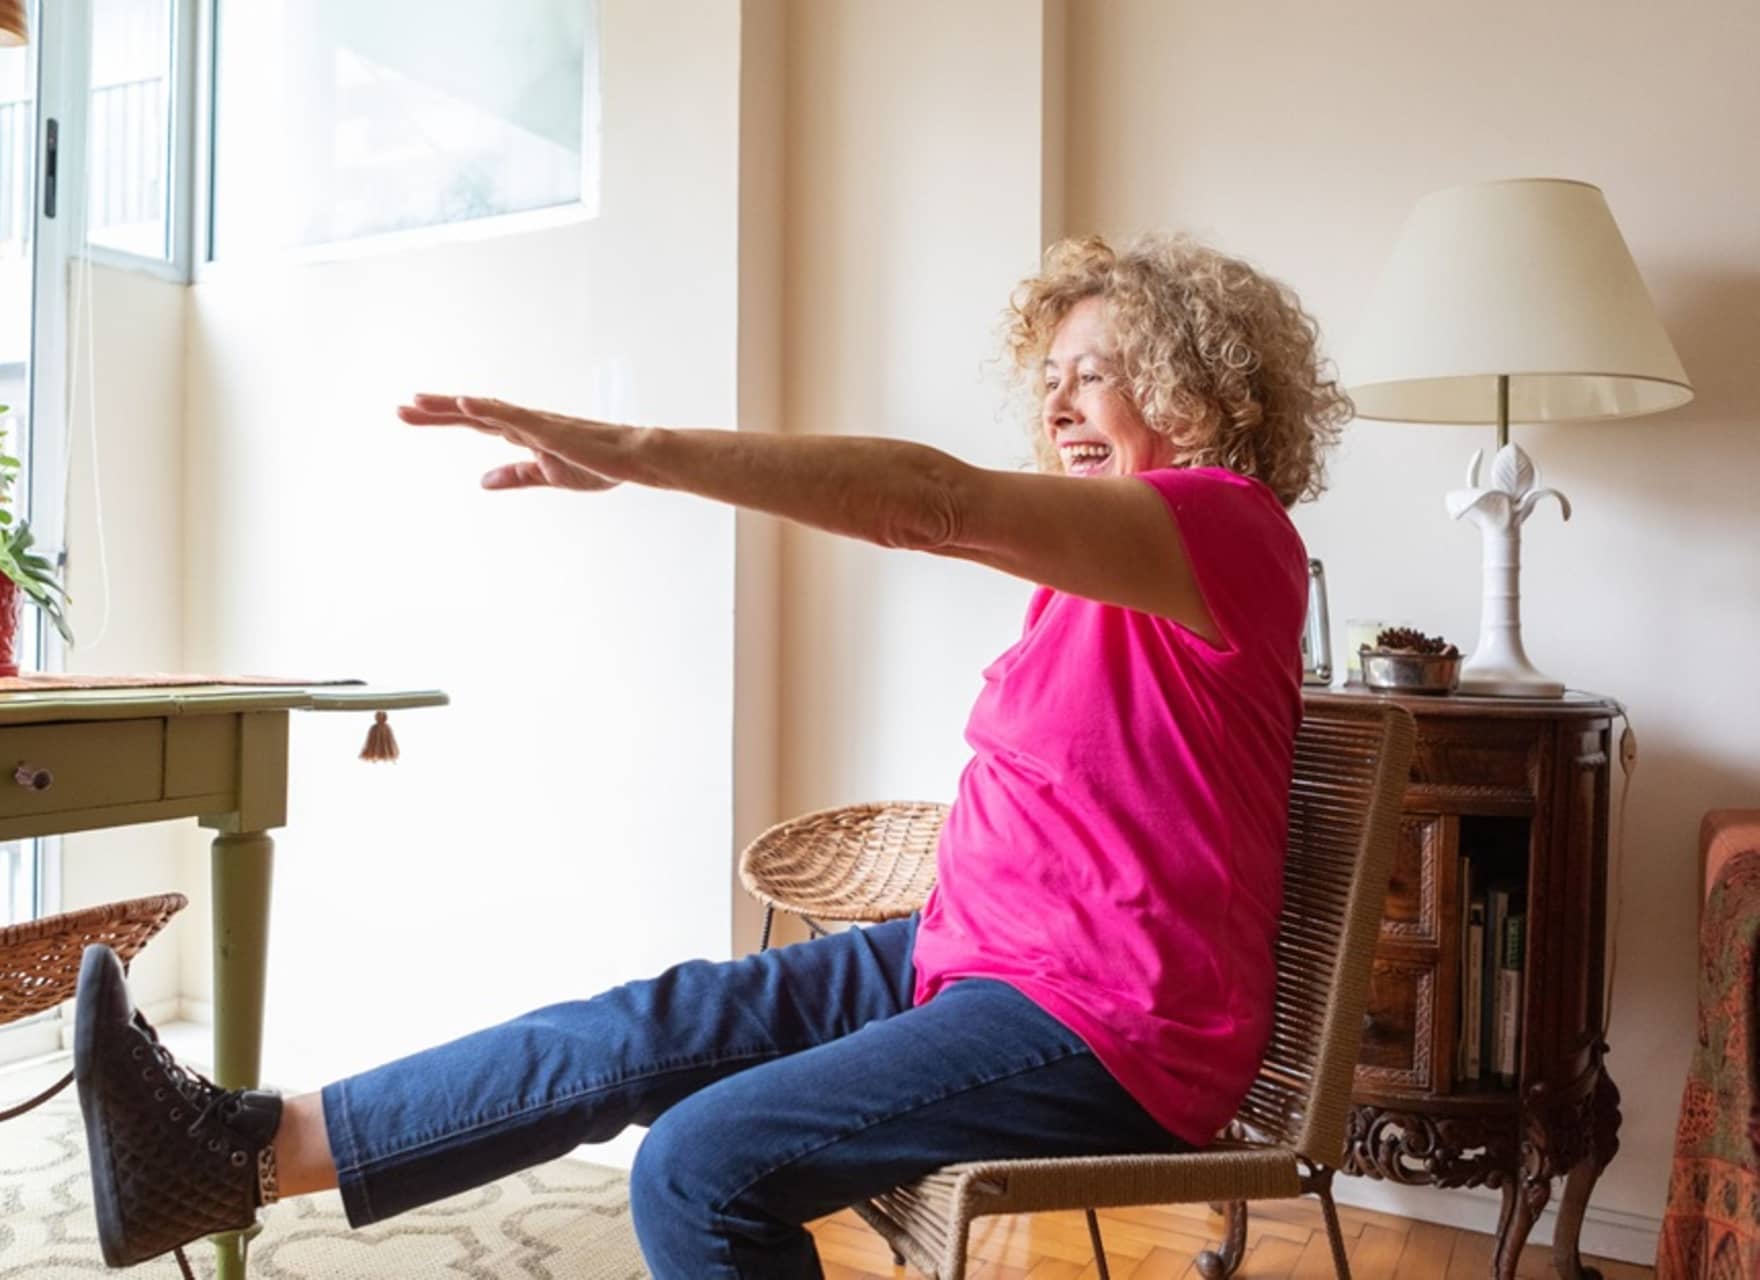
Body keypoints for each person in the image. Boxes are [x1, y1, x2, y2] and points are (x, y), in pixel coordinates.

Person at [69, 233, 1351, 1278]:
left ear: (1195, 385)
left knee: (698, 1166)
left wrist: (639, 453)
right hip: (969, 954)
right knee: (623, 1031)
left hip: (1105, 1025)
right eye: (1052, 375)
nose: (1060, 401)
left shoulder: (1224, 528)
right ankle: (234, 1151)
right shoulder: (1089, 580)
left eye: (1098, 370)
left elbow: (935, 502)